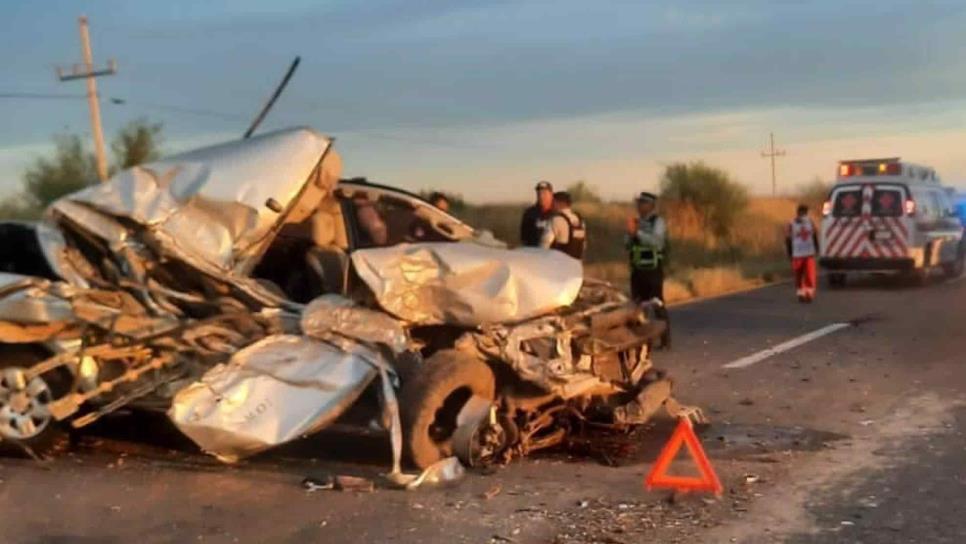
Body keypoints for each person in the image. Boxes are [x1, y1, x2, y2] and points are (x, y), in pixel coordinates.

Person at [626, 191, 671, 348]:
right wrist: (630, 235)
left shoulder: (657, 222)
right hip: (637, 269)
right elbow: (627, 244)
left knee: (656, 303)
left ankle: (665, 338)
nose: (640, 206)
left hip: (653, 269)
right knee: (638, 305)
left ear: (651, 205)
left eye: (643, 203)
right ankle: (643, 341)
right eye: (639, 203)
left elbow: (657, 242)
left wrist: (637, 233)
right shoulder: (636, 221)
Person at [785, 204, 819, 303]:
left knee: (808, 275)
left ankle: (809, 294)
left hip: (807, 253)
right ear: (798, 213)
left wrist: (816, 248)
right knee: (800, 275)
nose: (803, 215)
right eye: (802, 213)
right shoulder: (791, 223)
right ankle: (801, 294)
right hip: (798, 253)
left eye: (804, 213)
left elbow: (815, 235)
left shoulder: (810, 222)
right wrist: (790, 252)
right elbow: (788, 238)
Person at [539, 191, 587, 260]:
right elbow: (583, 245)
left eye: (552, 203)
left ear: (556, 203)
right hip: (576, 264)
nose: (551, 206)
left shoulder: (555, 220)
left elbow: (545, 243)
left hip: (559, 264)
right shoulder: (580, 220)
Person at [520, 181, 554, 247]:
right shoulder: (529, 213)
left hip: (553, 254)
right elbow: (524, 238)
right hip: (534, 253)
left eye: (544, 193)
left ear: (551, 195)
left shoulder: (557, 213)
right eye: (539, 194)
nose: (541, 196)